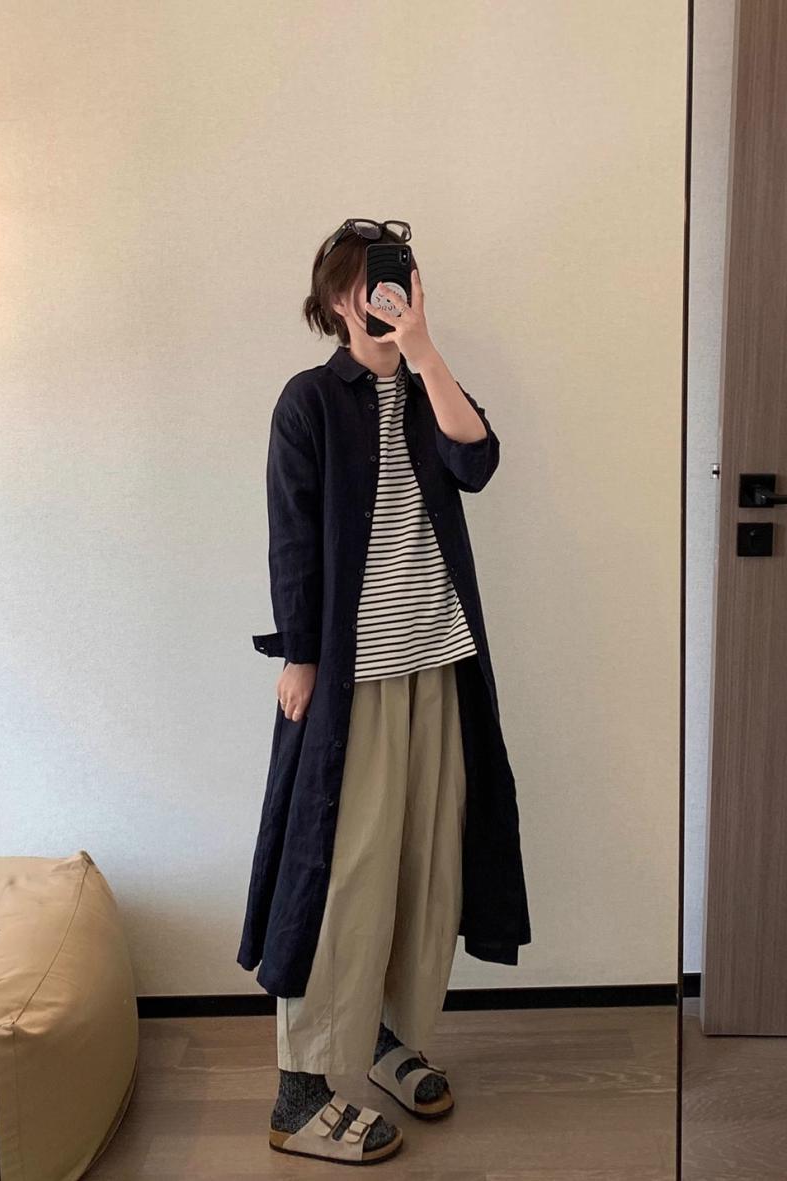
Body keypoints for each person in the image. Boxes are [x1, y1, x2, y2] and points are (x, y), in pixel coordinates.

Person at [248, 219, 528, 1164]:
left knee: (425, 865)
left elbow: (477, 461)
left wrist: (424, 351)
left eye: (400, 280)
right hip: (353, 679)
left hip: (437, 661)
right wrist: (299, 655)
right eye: (370, 284)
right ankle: (300, 1091)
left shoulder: (424, 387)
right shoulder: (309, 402)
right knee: (345, 874)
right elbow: (292, 534)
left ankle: (383, 1039)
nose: (387, 296)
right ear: (338, 301)